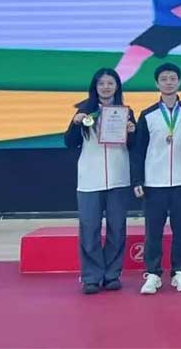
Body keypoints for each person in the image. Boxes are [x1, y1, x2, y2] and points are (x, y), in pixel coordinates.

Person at [64, 68, 136, 294]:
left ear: (117, 87)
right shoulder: (84, 112)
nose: (106, 87)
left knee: (117, 228)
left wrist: (132, 131)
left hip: (118, 178)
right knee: (90, 228)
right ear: (95, 87)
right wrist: (76, 123)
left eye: (110, 83)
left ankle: (112, 274)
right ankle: (91, 277)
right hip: (90, 179)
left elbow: (134, 145)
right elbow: (69, 142)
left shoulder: (126, 112)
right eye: (101, 83)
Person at [130, 62, 181, 295]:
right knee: (153, 230)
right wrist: (138, 180)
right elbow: (139, 150)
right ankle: (153, 273)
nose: (168, 82)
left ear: (179, 82)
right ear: (157, 84)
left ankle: (180, 271)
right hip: (154, 182)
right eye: (164, 79)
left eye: (172, 78)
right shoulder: (147, 114)